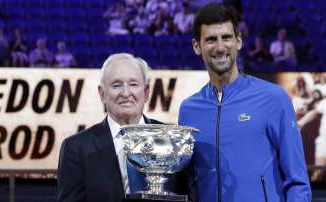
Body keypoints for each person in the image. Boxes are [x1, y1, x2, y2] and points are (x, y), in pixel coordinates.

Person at [178, 3, 311, 202]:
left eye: (227, 37)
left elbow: (298, 182)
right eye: (211, 39)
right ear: (197, 46)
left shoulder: (274, 98)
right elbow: (189, 182)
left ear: (238, 41)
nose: (220, 47)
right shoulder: (188, 110)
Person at [57, 53, 186, 202]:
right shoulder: (76, 148)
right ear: (102, 94)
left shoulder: (172, 138)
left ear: (146, 93)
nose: (126, 93)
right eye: (116, 85)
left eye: (133, 84)